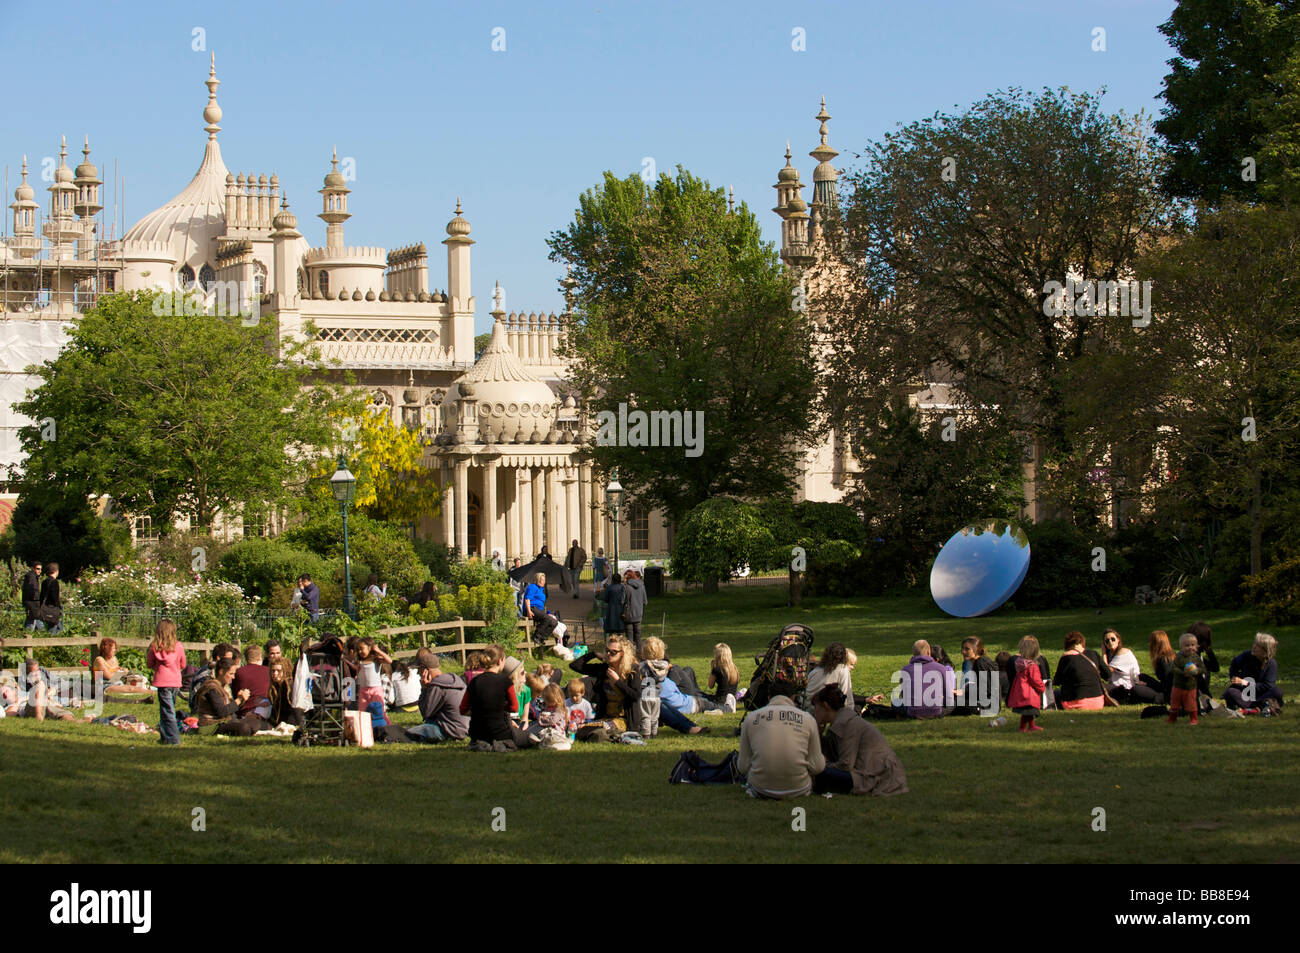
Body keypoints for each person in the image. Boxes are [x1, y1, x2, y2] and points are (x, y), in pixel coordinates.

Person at [811, 686, 908, 796]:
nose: (815, 712)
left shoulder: (845, 724)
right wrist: (818, 734)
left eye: (816, 708)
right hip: (876, 772)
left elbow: (845, 765)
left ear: (826, 706)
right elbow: (829, 755)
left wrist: (819, 768)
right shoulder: (841, 721)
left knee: (819, 773)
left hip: (878, 777)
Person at [738, 688, 825, 799]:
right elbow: (817, 766)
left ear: (769, 698)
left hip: (760, 788)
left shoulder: (751, 718)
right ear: (793, 697)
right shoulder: (808, 719)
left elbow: (742, 766)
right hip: (799, 788)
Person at [640, 637, 726, 732]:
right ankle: (726, 708)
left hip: (687, 701)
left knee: (686, 672)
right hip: (690, 702)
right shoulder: (664, 676)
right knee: (711, 704)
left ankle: (693, 726)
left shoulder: (644, 673)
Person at [459, 650, 533, 748]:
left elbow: (463, 709)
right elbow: (514, 708)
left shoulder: (474, 681)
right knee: (529, 737)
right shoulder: (505, 682)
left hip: (477, 735)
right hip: (501, 734)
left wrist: (481, 710)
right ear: (500, 661)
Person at [569, 633, 640, 732]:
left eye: (613, 652)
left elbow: (636, 695)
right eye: (607, 651)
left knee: (596, 730)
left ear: (622, 653)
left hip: (623, 719)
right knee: (580, 730)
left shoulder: (632, 671)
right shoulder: (604, 669)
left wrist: (617, 682)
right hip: (605, 717)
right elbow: (575, 666)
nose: (608, 654)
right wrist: (593, 654)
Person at [408, 649, 468, 742]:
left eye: (419, 669)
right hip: (464, 728)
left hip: (450, 731)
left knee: (408, 733)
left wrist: (424, 688)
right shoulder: (453, 681)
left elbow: (425, 713)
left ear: (426, 671)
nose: (417, 673)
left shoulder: (437, 686)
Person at [146, 618, 186, 745]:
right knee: (169, 710)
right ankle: (165, 737)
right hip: (175, 682)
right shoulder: (178, 647)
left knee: (167, 711)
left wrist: (157, 667)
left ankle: (173, 739)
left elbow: (149, 663)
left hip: (162, 682)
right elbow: (183, 664)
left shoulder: (154, 647)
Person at [1223, 633, 1283, 712]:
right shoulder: (1246, 656)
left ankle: (1252, 707)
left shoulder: (1271, 664)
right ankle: (1259, 706)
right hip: (1244, 693)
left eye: (1258, 646)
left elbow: (1268, 685)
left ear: (1266, 650)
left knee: (1277, 691)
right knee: (1230, 692)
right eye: (1255, 644)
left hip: (1261, 694)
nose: (1254, 647)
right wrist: (1235, 679)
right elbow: (1234, 664)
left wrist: (1245, 683)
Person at [897, 640, 955, 718]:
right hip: (936, 711)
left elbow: (904, 696)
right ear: (929, 652)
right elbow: (949, 697)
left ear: (913, 654)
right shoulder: (940, 668)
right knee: (953, 703)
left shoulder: (905, 670)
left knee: (895, 703)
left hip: (914, 712)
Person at [1101, 629, 1160, 705]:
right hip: (1117, 687)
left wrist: (1103, 653)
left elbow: (1107, 672)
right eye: (1107, 641)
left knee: (1100, 687)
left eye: (1113, 639)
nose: (1110, 642)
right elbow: (1106, 677)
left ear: (1118, 639)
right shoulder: (1112, 656)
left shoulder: (1123, 652)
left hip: (1127, 689)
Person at [19, 660, 91, 722]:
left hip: (49, 704)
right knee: (41, 687)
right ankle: (39, 717)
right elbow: (21, 699)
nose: (37, 673)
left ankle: (76, 722)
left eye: (37, 670)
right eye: (33, 672)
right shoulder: (23, 684)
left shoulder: (44, 674)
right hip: (34, 706)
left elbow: (65, 683)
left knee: (62, 713)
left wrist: (54, 689)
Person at [1053, 631, 1108, 710]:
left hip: (1075, 703)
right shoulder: (1094, 654)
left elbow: (1057, 681)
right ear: (1082, 642)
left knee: (1055, 693)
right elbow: (1108, 675)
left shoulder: (1066, 657)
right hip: (1098, 702)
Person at [954, 636, 1002, 715]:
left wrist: (963, 692)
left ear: (976, 650)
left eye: (967, 649)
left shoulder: (980, 662)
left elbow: (985, 689)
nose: (963, 651)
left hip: (989, 705)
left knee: (954, 702)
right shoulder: (980, 661)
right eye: (962, 649)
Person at [1008, 635, 1046, 732]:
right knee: (1028, 711)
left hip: (1021, 692)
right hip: (1028, 694)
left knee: (1028, 712)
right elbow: (1035, 680)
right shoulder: (1032, 666)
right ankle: (1023, 727)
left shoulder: (1020, 663)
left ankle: (1031, 725)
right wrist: (1042, 687)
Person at [1168, 632, 1205, 725]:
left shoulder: (1196, 658)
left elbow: (1203, 669)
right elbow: (1173, 668)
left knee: (1191, 703)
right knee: (1174, 703)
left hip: (1190, 686)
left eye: (1193, 645)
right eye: (1187, 645)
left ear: (1196, 646)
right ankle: (1172, 718)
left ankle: (1194, 719)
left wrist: (1197, 671)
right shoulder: (1179, 657)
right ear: (1181, 647)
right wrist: (1183, 673)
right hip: (1178, 685)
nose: (1190, 647)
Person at [805, 642, 853, 712]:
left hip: (806, 707)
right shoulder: (843, 670)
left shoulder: (815, 671)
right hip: (821, 708)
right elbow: (846, 695)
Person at [197, 659, 246, 727]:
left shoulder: (222, 687)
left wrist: (241, 700)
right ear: (221, 672)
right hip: (211, 724)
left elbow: (231, 709)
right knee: (244, 728)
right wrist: (239, 700)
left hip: (223, 721)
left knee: (252, 723)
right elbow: (222, 712)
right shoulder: (212, 688)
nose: (233, 677)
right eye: (231, 673)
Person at [1186, 620, 1220, 701]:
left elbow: (1215, 668)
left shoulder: (1202, 659)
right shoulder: (1190, 659)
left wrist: (1209, 651)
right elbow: (1200, 682)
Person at [1146, 630, 1176, 702]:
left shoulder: (1162, 659)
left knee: (1141, 678)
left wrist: (1148, 684)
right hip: (1172, 686)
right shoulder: (1173, 654)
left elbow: (1166, 680)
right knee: (1143, 676)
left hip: (1167, 689)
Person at [622, 569, 647, 646]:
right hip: (639, 615)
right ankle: (640, 654)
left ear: (627, 577)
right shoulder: (642, 585)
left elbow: (622, 601)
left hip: (629, 615)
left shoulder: (625, 587)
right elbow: (645, 601)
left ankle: (631, 656)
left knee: (629, 638)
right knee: (638, 637)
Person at [38, 562, 62, 633]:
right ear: (56, 571)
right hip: (52, 608)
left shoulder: (44, 581)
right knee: (53, 628)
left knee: (59, 627)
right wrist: (58, 606)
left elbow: (42, 595)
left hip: (45, 608)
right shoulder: (54, 582)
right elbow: (55, 596)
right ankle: (50, 642)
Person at [22, 560, 43, 630]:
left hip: (33, 603)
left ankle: (42, 635)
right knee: (31, 623)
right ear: (33, 568)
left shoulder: (33, 577)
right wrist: (37, 599)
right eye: (37, 569)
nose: (39, 571)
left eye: (40, 569)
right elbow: (33, 590)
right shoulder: (31, 577)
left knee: (38, 623)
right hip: (32, 604)